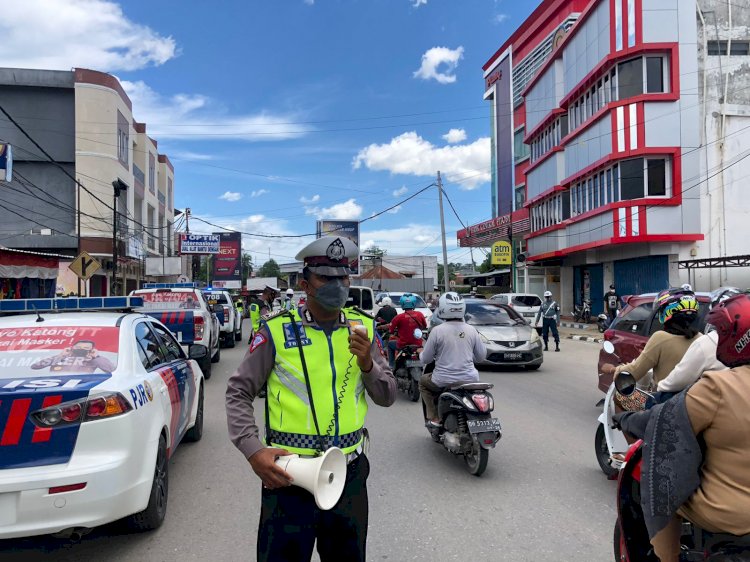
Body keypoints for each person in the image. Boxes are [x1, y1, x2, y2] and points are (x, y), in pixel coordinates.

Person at [226, 235, 395, 562]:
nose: (337, 285)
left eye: (343, 278)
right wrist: (253, 450)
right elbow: (238, 391)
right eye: (325, 278)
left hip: (348, 476)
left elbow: (387, 396)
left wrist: (368, 364)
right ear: (305, 284)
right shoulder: (276, 331)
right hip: (288, 477)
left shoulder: (363, 329)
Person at [638, 292, 750, 561]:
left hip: (733, 514)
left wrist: (627, 418)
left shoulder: (717, 385)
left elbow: (667, 394)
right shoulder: (699, 341)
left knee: (663, 490)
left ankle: (669, 557)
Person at [604, 288, 701, 388]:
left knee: (623, 400)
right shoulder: (701, 339)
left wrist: (615, 370)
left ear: (669, 311)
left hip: (665, 401)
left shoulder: (660, 338)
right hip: (694, 399)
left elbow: (635, 371)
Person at [656, 287, 740, 395]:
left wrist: (658, 388)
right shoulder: (701, 337)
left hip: (714, 403)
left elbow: (673, 383)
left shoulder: (706, 342)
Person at [418, 292, 486, 426]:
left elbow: (426, 359)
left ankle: (434, 417)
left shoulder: (437, 331)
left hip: (443, 380)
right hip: (470, 380)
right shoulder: (472, 330)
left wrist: (421, 353)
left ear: (442, 308)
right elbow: (481, 357)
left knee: (422, 382)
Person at [31, 339, 115, 373]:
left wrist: (96, 357)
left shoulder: (93, 360)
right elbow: (35, 366)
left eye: (86, 348)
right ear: (72, 347)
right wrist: (61, 356)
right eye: (78, 347)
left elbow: (111, 370)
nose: (81, 349)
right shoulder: (61, 358)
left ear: (92, 349)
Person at [389, 294, 427, 359]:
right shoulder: (420, 314)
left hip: (402, 345)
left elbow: (391, 330)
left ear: (402, 304)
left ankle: (391, 365)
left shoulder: (398, 317)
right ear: (414, 303)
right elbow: (424, 326)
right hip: (418, 344)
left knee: (390, 344)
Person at [374, 297, 398, 368]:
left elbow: (376, 319)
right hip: (392, 330)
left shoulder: (381, 310)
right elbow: (396, 319)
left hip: (383, 330)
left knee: (381, 343)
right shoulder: (394, 310)